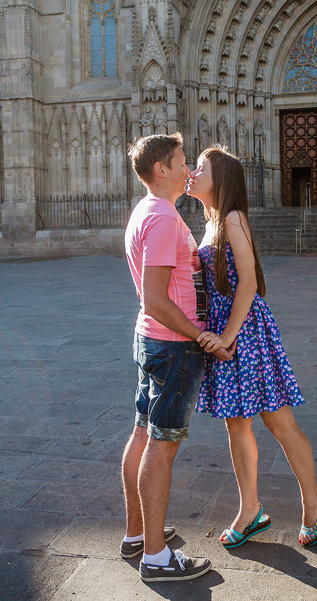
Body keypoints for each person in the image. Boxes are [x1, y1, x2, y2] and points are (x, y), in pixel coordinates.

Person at [187, 146, 317, 549]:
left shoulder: (233, 218)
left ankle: (314, 501)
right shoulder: (212, 221)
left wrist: (227, 335)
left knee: (278, 422)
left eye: (200, 168)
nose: (192, 173)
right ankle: (249, 509)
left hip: (245, 331)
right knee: (236, 423)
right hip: (226, 329)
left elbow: (249, 282)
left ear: (221, 179)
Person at [121, 133, 233, 583]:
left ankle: (136, 534)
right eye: (182, 161)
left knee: (143, 435)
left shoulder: (144, 211)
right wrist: (202, 335)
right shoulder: (165, 218)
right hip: (172, 345)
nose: (188, 169)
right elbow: (155, 298)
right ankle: (156, 557)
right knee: (162, 445)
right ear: (161, 169)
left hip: (152, 341)